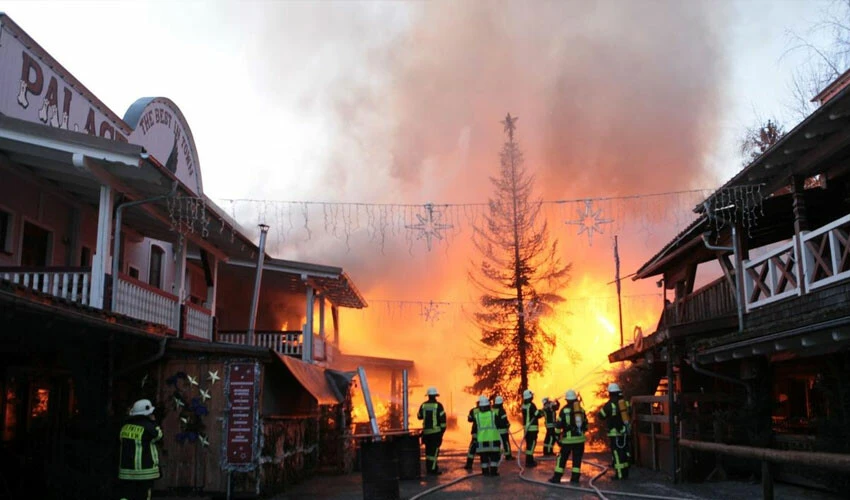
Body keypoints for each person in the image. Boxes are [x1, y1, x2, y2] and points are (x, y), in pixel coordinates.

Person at [118, 399, 163, 500]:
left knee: (126, 496)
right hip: (145, 472)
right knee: (143, 496)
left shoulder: (125, 427)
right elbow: (158, 435)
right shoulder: (148, 427)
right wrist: (153, 422)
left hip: (126, 472)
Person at [549, 390, 586, 485]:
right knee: (577, 459)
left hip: (568, 440)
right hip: (580, 440)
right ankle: (575, 479)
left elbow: (558, 425)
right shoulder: (581, 410)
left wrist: (557, 437)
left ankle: (556, 478)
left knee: (562, 458)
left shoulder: (564, 410)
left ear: (567, 400)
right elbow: (586, 425)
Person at [598, 383, 631, 480]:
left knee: (616, 453)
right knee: (624, 452)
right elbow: (630, 411)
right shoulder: (624, 402)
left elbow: (601, 416)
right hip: (624, 431)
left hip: (614, 433)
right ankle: (625, 473)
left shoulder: (609, 405)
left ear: (610, 393)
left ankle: (619, 475)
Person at [417, 386, 447, 475]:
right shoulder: (439, 406)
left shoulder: (423, 405)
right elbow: (443, 421)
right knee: (434, 453)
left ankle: (429, 468)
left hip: (426, 433)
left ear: (428, 396)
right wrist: (442, 432)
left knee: (428, 452)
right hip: (436, 433)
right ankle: (433, 470)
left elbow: (419, 416)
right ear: (435, 396)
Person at [472, 395, 501, 476]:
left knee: (483, 458)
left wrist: (474, 439)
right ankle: (493, 472)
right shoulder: (493, 414)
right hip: (493, 440)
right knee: (494, 457)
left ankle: (485, 472)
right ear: (489, 405)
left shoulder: (477, 416)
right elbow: (499, 424)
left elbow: (474, 429)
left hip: (481, 441)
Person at [521, 389, 543, 468]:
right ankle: (529, 462)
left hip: (526, 429)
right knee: (532, 444)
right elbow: (537, 415)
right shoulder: (532, 405)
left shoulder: (524, 405)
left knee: (529, 445)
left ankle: (530, 460)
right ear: (530, 397)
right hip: (532, 429)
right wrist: (543, 411)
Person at [493, 395, 512, 460]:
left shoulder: (492, 410)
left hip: (495, 431)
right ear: (501, 403)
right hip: (503, 430)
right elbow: (504, 420)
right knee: (506, 443)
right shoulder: (501, 410)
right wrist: (508, 424)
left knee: (497, 444)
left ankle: (497, 456)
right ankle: (508, 456)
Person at [464, 400, 480, 470]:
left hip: (476, 432)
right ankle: (487, 465)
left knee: (472, 449)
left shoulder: (473, 410)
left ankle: (469, 465)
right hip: (486, 434)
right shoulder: (489, 411)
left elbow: (469, 420)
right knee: (486, 449)